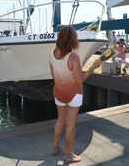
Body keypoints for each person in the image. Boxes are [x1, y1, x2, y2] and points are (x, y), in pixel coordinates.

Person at [49, 26, 100, 163]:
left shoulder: (52, 53)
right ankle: (69, 155)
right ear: (73, 40)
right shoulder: (73, 57)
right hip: (73, 95)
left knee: (60, 120)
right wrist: (92, 68)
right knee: (70, 125)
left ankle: (54, 147)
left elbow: (53, 75)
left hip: (59, 93)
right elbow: (80, 80)